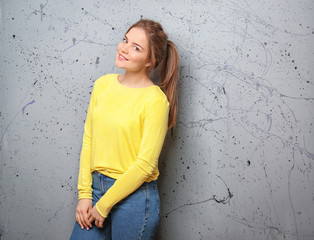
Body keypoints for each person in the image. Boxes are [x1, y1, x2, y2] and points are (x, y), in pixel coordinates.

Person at [69, 19, 179, 240]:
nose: (124, 49)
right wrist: (84, 195)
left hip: (134, 198)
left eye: (136, 48)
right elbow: (89, 138)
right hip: (96, 189)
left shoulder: (155, 101)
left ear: (151, 60)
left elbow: (146, 164)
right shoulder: (103, 85)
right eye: (125, 40)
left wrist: (105, 205)